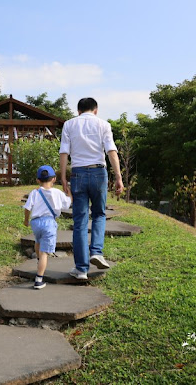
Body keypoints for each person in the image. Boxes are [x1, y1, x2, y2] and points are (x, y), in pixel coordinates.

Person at [59, 97, 124, 280]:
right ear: (96, 110)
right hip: (98, 173)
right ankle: (96, 251)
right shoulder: (103, 124)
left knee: (79, 221)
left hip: (78, 173)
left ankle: (81, 269)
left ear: (78, 111)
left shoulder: (69, 125)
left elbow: (64, 152)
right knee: (99, 214)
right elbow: (111, 151)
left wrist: (63, 177)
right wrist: (118, 177)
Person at [23, 165, 72, 289]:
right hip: (49, 223)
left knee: (38, 241)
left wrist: (26, 220)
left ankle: (40, 261)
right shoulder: (57, 192)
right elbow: (67, 204)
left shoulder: (35, 192)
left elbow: (27, 208)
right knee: (45, 253)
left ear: (38, 180)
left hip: (36, 223)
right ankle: (39, 279)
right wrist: (70, 193)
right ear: (54, 179)